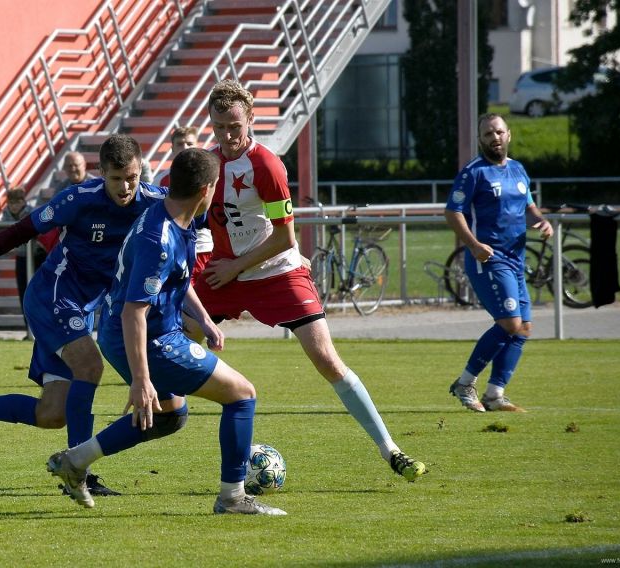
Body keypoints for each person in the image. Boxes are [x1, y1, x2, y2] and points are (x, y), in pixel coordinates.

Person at [189, 79, 426, 482]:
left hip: (275, 269)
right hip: (226, 270)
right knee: (170, 333)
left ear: (250, 119)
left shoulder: (267, 165)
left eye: (234, 126)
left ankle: (392, 450)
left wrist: (235, 266)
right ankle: (159, 408)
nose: (227, 136)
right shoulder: (208, 164)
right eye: (218, 127)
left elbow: (285, 237)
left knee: (327, 360)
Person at [47, 147, 286, 515]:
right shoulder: (158, 238)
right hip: (148, 337)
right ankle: (232, 498)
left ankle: (75, 461)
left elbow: (175, 280)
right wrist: (141, 381)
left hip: (140, 331)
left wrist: (203, 318)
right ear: (207, 188)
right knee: (241, 395)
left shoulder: (176, 219)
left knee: (170, 415)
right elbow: (133, 312)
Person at [0, 134, 167, 497]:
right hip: (51, 296)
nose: (125, 187)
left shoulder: (154, 202)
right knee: (91, 366)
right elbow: (21, 230)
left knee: (52, 414)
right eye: (116, 178)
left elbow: (198, 213)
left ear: (141, 171)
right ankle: (80, 473)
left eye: (132, 177)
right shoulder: (79, 199)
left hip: (83, 309)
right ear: (101, 173)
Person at [445, 113, 553, 413]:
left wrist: (542, 222)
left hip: (516, 259)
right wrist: (474, 245)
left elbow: (529, 207)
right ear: (481, 139)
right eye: (488, 133)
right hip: (489, 259)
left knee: (524, 328)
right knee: (510, 323)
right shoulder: (473, 173)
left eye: (499, 132)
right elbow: (453, 212)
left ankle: (495, 394)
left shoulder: (518, 170)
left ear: (509, 135)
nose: (495, 138)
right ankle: (465, 383)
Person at [152, 126, 212, 283]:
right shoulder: (160, 180)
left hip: (203, 248)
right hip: (174, 248)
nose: (185, 148)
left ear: (198, 146)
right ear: (172, 149)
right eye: (180, 144)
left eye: (189, 143)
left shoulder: (210, 177)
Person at [0, 187, 47, 332]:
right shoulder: (5, 215)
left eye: (17, 202)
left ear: (24, 202)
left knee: (39, 292)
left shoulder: (32, 213)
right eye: (11, 202)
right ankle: (29, 328)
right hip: (21, 256)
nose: (13, 206)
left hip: (37, 256)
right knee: (24, 292)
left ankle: (44, 326)